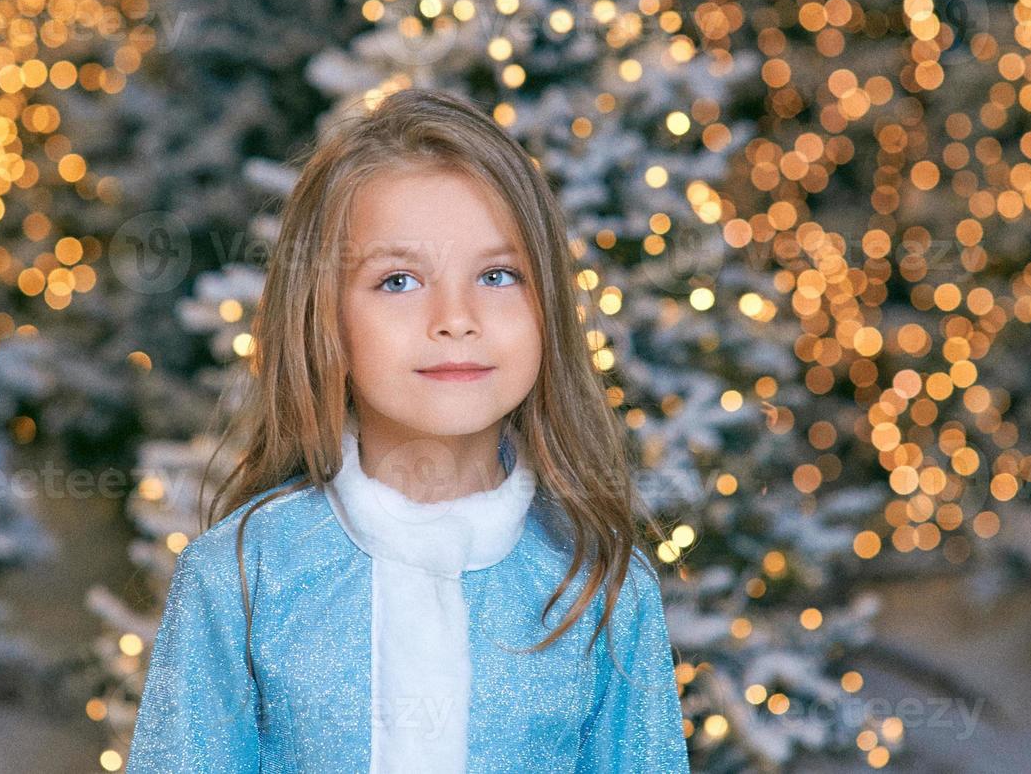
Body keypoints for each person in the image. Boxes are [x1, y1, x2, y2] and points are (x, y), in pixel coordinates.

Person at [126, 89, 691, 773]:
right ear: (324, 318)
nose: (455, 317)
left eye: (497, 274)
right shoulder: (240, 578)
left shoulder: (601, 587)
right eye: (398, 280)